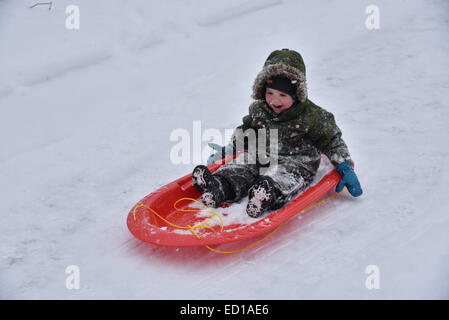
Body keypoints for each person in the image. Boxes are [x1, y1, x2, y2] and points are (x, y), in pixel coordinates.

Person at [192, 49, 362, 218]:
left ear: (297, 95)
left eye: (282, 94)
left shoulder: (313, 116)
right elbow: (248, 130)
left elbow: (331, 140)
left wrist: (344, 165)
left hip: (297, 161)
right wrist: (230, 148)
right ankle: (218, 186)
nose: (274, 100)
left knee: (285, 176)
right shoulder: (259, 109)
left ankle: (266, 195)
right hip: (262, 154)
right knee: (242, 165)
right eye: (269, 93)